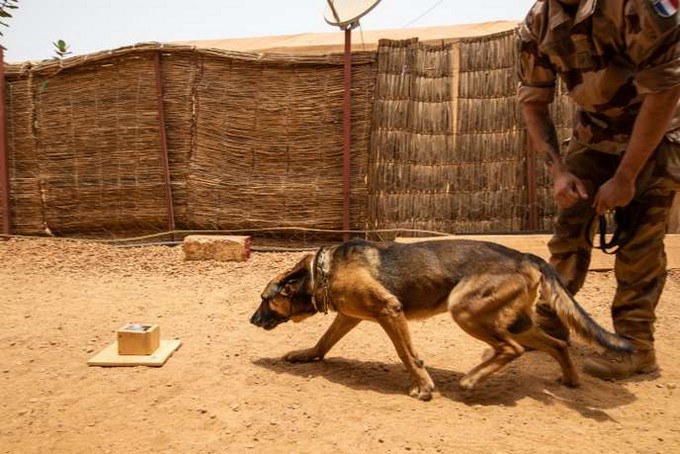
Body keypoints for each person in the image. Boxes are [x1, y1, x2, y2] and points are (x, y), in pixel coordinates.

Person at [517, 0, 680, 380]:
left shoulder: (637, 6)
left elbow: (665, 90)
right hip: (592, 135)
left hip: (658, 134)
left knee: (640, 245)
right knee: (568, 233)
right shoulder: (537, 24)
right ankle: (550, 322)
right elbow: (534, 102)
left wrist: (626, 176)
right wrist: (559, 171)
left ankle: (635, 348)